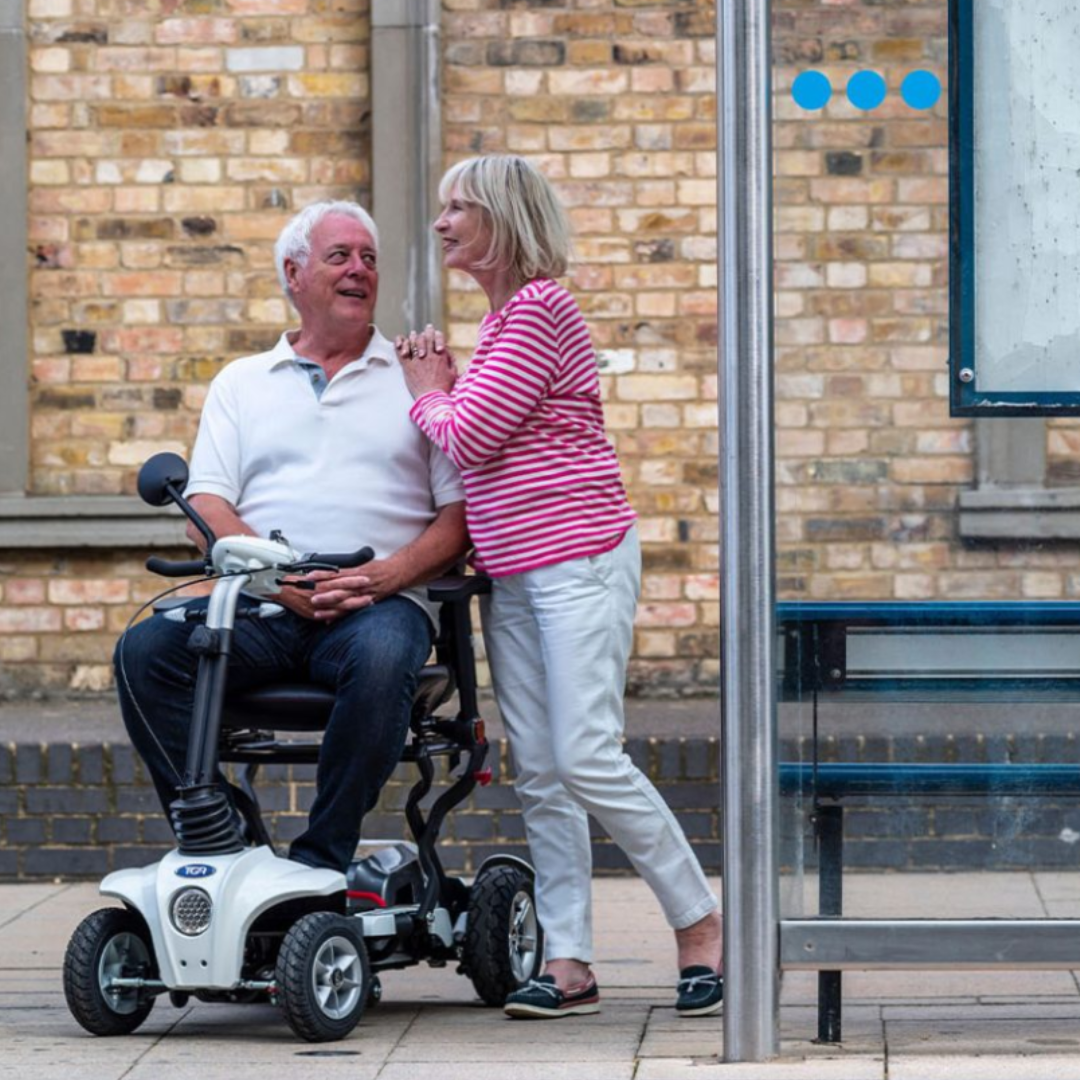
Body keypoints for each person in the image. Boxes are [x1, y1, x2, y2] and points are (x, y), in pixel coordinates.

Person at [396, 155, 723, 1019]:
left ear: (502, 217)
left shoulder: (541, 309)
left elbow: (467, 436)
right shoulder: (505, 323)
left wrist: (428, 389)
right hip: (514, 573)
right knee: (539, 770)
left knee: (585, 753)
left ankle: (701, 925)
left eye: (456, 207)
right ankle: (570, 959)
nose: (442, 223)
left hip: (578, 560)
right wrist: (448, 388)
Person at [115, 200, 468, 874]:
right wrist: (277, 580)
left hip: (377, 604)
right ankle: (222, 843)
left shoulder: (418, 378)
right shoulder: (242, 382)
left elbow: (458, 523)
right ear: (294, 273)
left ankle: (317, 865)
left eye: (369, 258)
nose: (359, 269)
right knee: (145, 651)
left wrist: (384, 577)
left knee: (386, 654)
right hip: (261, 604)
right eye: (340, 256)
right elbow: (207, 502)